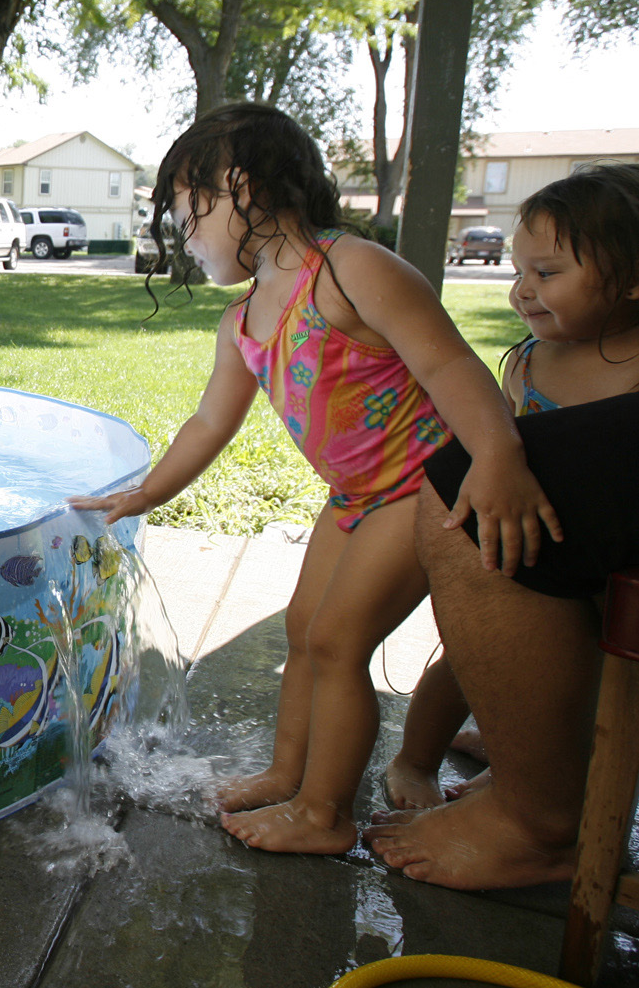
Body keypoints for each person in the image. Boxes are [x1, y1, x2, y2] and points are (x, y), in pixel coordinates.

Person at [71, 103, 558, 856]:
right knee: (302, 633)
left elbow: (448, 363)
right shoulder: (241, 323)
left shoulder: (348, 268)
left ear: (235, 186)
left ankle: (324, 812)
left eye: (186, 211)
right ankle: (287, 772)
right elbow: (207, 423)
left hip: (424, 484)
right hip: (355, 496)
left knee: (336, 641)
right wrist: (147, 491)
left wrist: (497, 457)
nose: (184, 233)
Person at [385, 163, 639, 813]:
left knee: (576, 681)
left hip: (598, 570)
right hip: (515, 553)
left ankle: (518, 770)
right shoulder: (528, 361)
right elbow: (492, 445)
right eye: (517, 271)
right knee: (466, 667)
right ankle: (413, 760)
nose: (522, 291)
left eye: (547, 273)